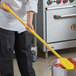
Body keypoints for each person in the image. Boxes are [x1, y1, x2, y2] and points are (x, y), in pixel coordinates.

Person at [0, 0, 38, 76]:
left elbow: (32, 2)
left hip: (24, 21)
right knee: (6, 57)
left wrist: (29, 22)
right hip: (5, 20)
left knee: (25, 55)